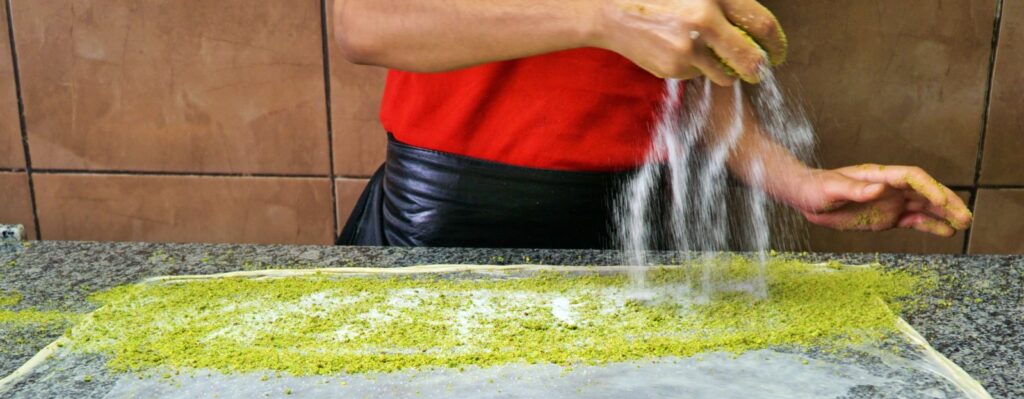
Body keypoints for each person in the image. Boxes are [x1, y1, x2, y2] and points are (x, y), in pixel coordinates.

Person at [333, 0, 972, 248]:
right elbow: (363, 22)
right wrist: (600, 16)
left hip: (646, 236)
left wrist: (796, 181)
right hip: (448, 230)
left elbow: (683, 63)